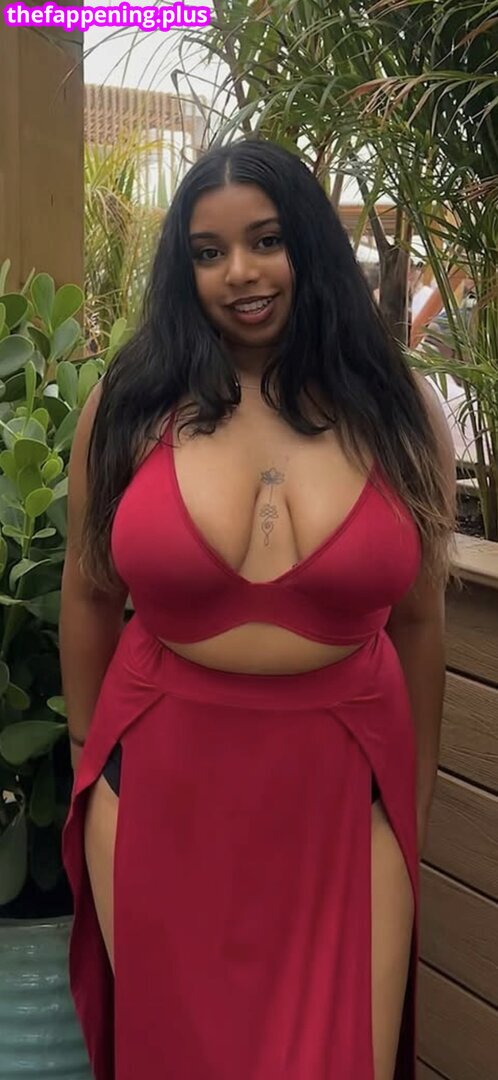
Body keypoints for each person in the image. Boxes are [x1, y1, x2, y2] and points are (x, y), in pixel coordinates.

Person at [61, 137, 456, 1080]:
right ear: (184, 267)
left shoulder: (400, 408)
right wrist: (88, 765)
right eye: (209, 252)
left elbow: (419, 623)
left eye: (266, 240)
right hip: (159, 787)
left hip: (344, 794)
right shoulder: (129, 404)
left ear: (309, 246)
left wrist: (415, 799)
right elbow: (87, 594)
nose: (240, 272)